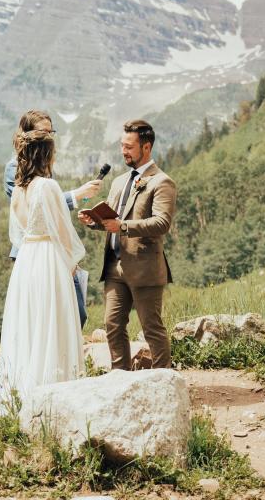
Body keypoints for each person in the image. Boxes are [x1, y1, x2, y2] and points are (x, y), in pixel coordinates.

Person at [0, 127, 85, 412]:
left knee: (31, 324)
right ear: (46, 155)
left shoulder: (19, 190)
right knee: (53, 321)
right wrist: (71, 262)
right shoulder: (47, 186)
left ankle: (24, 393)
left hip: (27, 260)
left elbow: (18, 234)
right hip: (48, 257)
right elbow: (63, 231)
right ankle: (54, 396)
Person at [79, 120, 177, 370]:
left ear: (146, 147)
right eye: (122, 145)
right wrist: (94, 222)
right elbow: (111, 221)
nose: (124, 151)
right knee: (112, 324)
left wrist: (123, 226)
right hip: (114, 266)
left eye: (129, 146)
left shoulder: (161, 181)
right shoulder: (119, 181)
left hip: (144, 267)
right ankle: (120, 376)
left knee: (151, 328)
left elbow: (162, 223)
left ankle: (163, 380)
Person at [3, 110, 101, 327]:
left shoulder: (43, 171)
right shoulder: (16, 168)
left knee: (70, 314)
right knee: (47, 319)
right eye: (43, 131)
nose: (49, 136)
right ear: (28, 135)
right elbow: (36, 209)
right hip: (37, 253)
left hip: (54, 250)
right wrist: (77, 195)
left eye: (51, 131)